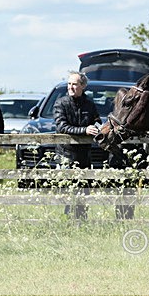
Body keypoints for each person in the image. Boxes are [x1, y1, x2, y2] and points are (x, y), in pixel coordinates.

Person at [54, 71, 101, 220]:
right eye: (69, 84)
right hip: (66, 154)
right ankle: (68, 221)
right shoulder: (61, 103)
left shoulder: (89, 103)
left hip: (84, 154)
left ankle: (82, 219)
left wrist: (98, 126)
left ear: (83, 86)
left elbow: (97, 119)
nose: (71, 87)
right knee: (69, 191)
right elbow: (62, 127)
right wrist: (85, 130)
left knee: (84, 189)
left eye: (74, 84)